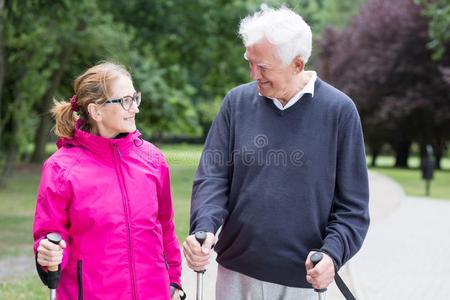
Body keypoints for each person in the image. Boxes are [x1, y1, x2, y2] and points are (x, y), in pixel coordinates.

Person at [183, 6, 369, 300]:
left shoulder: (339, 112)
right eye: (250, 62)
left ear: (297, 64)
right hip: (235, 275)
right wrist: (203, 228)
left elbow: (353, 208)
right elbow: (213, 177)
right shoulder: (236, 103)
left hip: (303, 282)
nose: (253, 74)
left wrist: (332, 255)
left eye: (264, 67)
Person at [33, 62, 185, 300]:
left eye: (135, 98)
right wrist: (47, 253)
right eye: (125, 100)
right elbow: (50, 235)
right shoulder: (60, 168)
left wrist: (174, 280)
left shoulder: (153, 159)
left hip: (153, 292)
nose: (135, 108)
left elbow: (165, 226)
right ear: (96, 111)